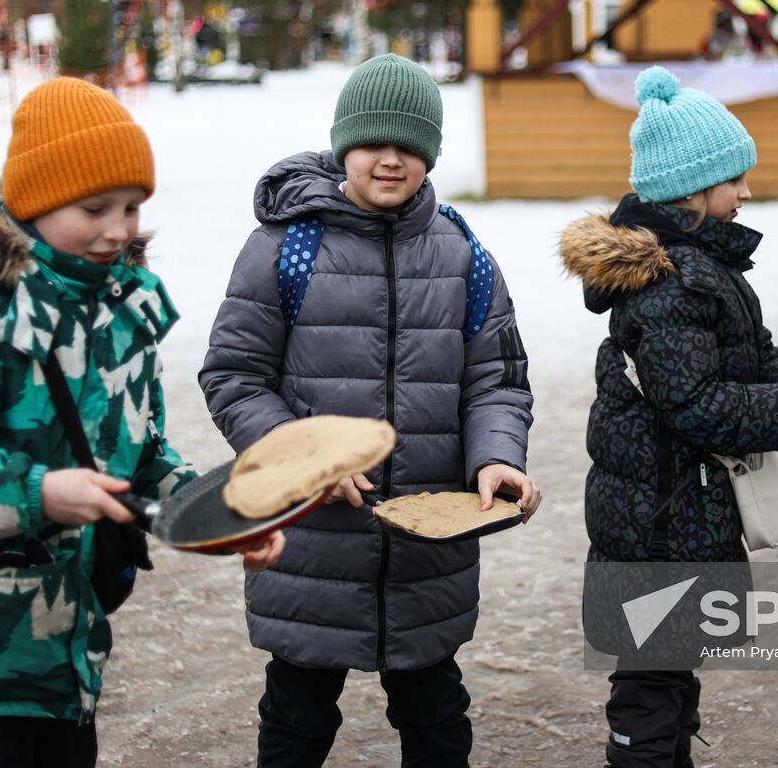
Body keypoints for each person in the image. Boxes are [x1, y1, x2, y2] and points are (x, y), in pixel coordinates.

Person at [0, 77, 283, 768]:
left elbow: (139, 457)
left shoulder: (120, 308)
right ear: (35, 202)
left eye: (133, 207)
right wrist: (37, 493)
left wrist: (221, 515)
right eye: (95, 208)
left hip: (67, 658)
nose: (120, 229)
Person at [199, 53, 539, 768]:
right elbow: (235, 375)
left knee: (437, 717)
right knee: (295, 715)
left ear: (430, 154)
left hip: (426, 553)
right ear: (342, 144)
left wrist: (497, 457)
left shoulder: (464, 255)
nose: (390, 159)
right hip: (312, 544)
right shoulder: (285, 247)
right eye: (372, 142)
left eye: (409, 145)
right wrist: (303, 458)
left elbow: (497, 381)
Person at [560, 65, 778, 768]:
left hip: (678, 514)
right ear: (692, 193)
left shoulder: (703, 269)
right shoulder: (672, 285)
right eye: (734, 180)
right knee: (652, 683)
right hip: (659, 520)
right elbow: (696, 404)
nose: (746, 193)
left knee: (671, 671)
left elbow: (755, 356)